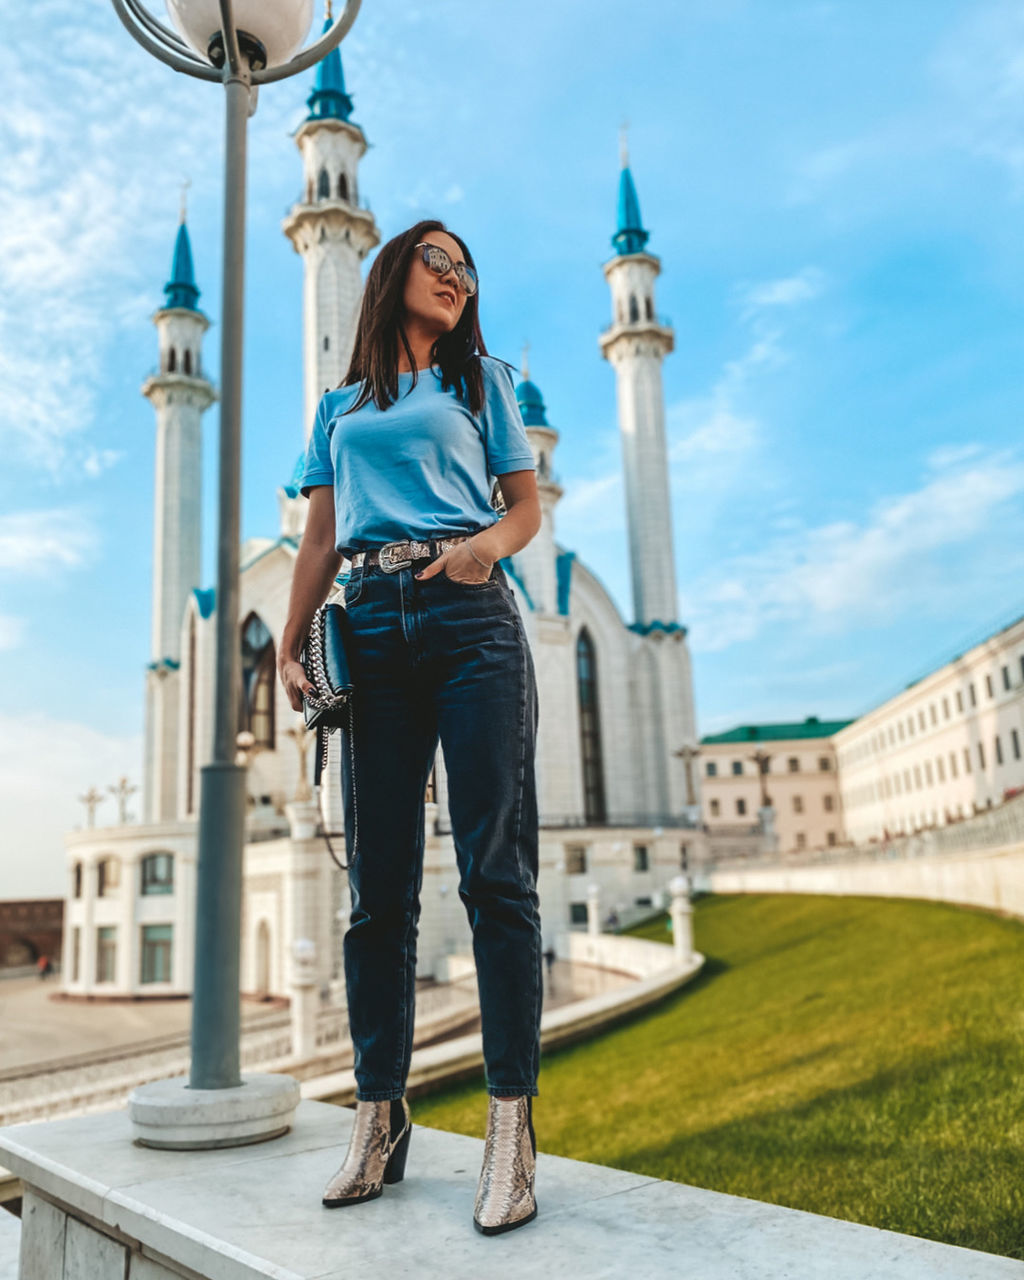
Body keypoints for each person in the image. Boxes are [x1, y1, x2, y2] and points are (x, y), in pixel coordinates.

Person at [279, 220, 543, 1236]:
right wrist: (290, 638)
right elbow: (319, 531)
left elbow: (522, 511)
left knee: (493, 871)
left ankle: (509, 1130)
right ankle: (379, 1114)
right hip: (371, 627)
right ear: (394, 270)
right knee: (375, 890)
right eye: (439, 261)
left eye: (469, 269)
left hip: (469, 616)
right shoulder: (337, 407)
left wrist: (479, 553)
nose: (457, 278)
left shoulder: (483, 384)